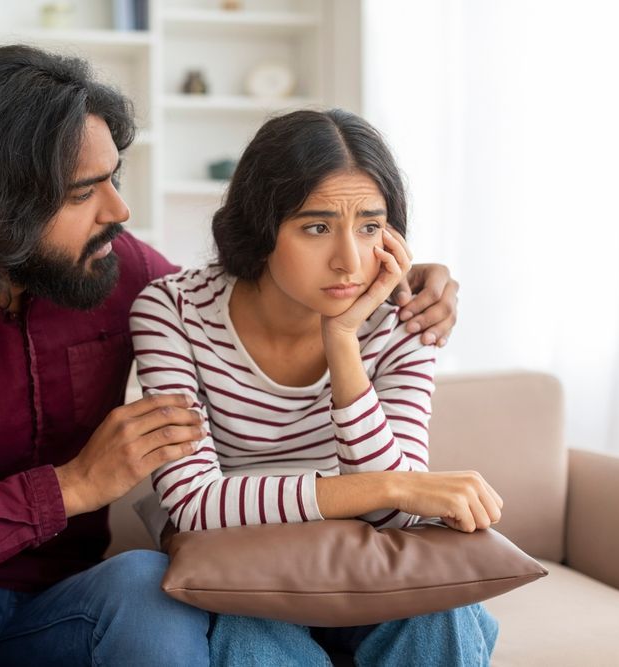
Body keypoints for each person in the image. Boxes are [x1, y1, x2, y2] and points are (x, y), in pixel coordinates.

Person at [0, 45, 461, 666]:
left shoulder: (122, 273)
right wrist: (69, 487)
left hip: (63, 609)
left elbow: (246, 288)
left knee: (147, 585)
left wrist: (393, 272)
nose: (121, 208)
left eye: (113, 177)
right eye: (84, 193)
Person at [130, 108, 501, 665]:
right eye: (317, 227)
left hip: (370, 568)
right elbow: (193, 504)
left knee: (440, 614)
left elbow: (395, 522)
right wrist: (392, 486)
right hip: (247, 574)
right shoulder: (173, 311)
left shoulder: (407, 320)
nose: (349, 261)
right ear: (261, 227)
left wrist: (344, 341)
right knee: (247, 635)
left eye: (370, 227)